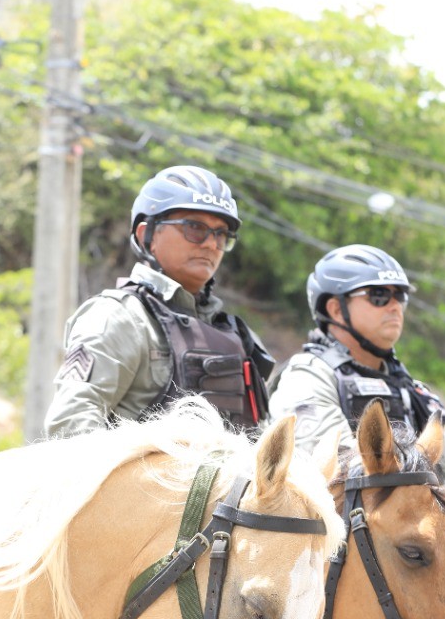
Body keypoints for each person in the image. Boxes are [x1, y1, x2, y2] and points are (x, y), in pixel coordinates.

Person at [44, 165, 274, 438]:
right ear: (147, 235)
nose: (211, 244)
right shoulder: (118, 318)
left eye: (221, 234)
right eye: (195, 228)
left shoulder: (235, 334)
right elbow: (69, 427)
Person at [268, 244, 445, 511]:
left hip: (411, 538)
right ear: (336, 309)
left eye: (400, 296)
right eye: (378, 296)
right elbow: (332, 468)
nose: (395, 306)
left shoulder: (411, 390)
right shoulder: (307, 376)